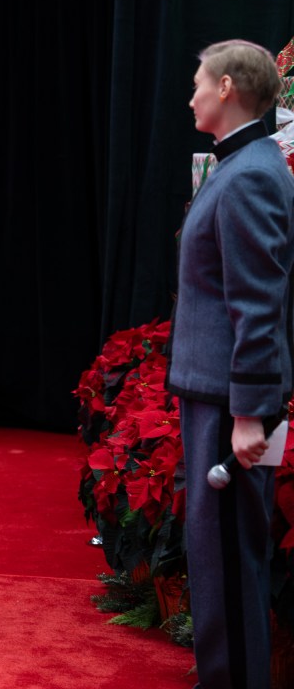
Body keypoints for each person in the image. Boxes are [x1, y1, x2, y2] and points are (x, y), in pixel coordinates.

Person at [166, 39, 294, 688]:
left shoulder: (250, 175)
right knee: (218, 558)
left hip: (227, 404)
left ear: (226, 90)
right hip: (217, 397)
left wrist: (248, 412)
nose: (190, 94)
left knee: (227, 562)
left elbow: (257, 302)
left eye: (198, 82)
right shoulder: (245, 167)